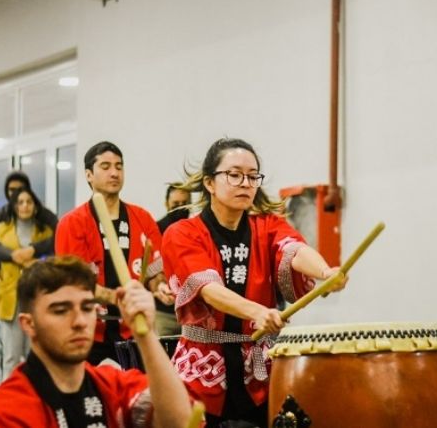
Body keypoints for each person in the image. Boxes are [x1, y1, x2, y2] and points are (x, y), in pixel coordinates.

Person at [161, 138, 347, 427]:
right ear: (210, 183)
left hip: (258, 372)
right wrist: (258, 312)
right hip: (202, 372)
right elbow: (209, 291)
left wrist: (325, 272)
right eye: (234, 174)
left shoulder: (267, 225)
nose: (245, 183)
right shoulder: (183, 232)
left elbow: (293, 249)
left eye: (252, 176)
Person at [0, 256, 192, 427]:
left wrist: (146, 336)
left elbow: (180, 422)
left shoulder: (112, 386)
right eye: (60, 311)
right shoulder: (4, 413)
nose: (79, 321)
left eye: (87, 308)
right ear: (28, 324)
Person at [55, 141, 164, 365]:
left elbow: (154, 271)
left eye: (119, 166)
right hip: (88, 332)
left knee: (139, 397)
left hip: (135, 330)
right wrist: (118, 298)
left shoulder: (142, 218)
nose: (114, 173)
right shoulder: (73, 223)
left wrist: (161, 287)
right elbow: (74, 283)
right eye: (105, 167)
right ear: (89, 175)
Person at [0, 187, 54, 376]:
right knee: (11, 356)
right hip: (9, 299)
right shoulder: (1, 230)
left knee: (36, 354)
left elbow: (55, 258)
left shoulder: (44, 231)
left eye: (29, 202)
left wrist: (36, 261)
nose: (25, 206)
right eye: (20, 202)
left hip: (36, 298)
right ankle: (11, 400)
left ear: (35, 206)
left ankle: (36, 398)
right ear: (14, 206)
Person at [0, 171, 58, 288]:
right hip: (7, 287)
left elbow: (60, 238)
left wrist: (34, 250)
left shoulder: (44, 219)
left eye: (20, 189)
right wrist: (13, 255)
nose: (24, 206)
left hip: (39, 285)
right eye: (12, 190)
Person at [152, 183, 191, 337]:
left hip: (191, 313)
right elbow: (149, 270)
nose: (180, 208)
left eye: (184, 204)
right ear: (166, 203)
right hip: (164, 312)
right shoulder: (155, 230)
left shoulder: (196, 230)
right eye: (175, 204)